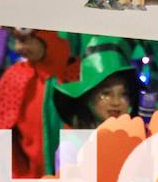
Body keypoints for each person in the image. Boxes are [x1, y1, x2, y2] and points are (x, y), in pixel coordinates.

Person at [0, 28, 75, 178]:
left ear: (47, 37)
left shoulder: (76, 73)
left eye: (24, 41)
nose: (18, 48)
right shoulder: (16, 75)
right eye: (15, 40)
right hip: (29, 181)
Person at [43, 36, 141, 172]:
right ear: (87, 97)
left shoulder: (135, 140)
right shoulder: (72, 145)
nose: (116, 102)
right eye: (106, 93)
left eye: (124, 94)